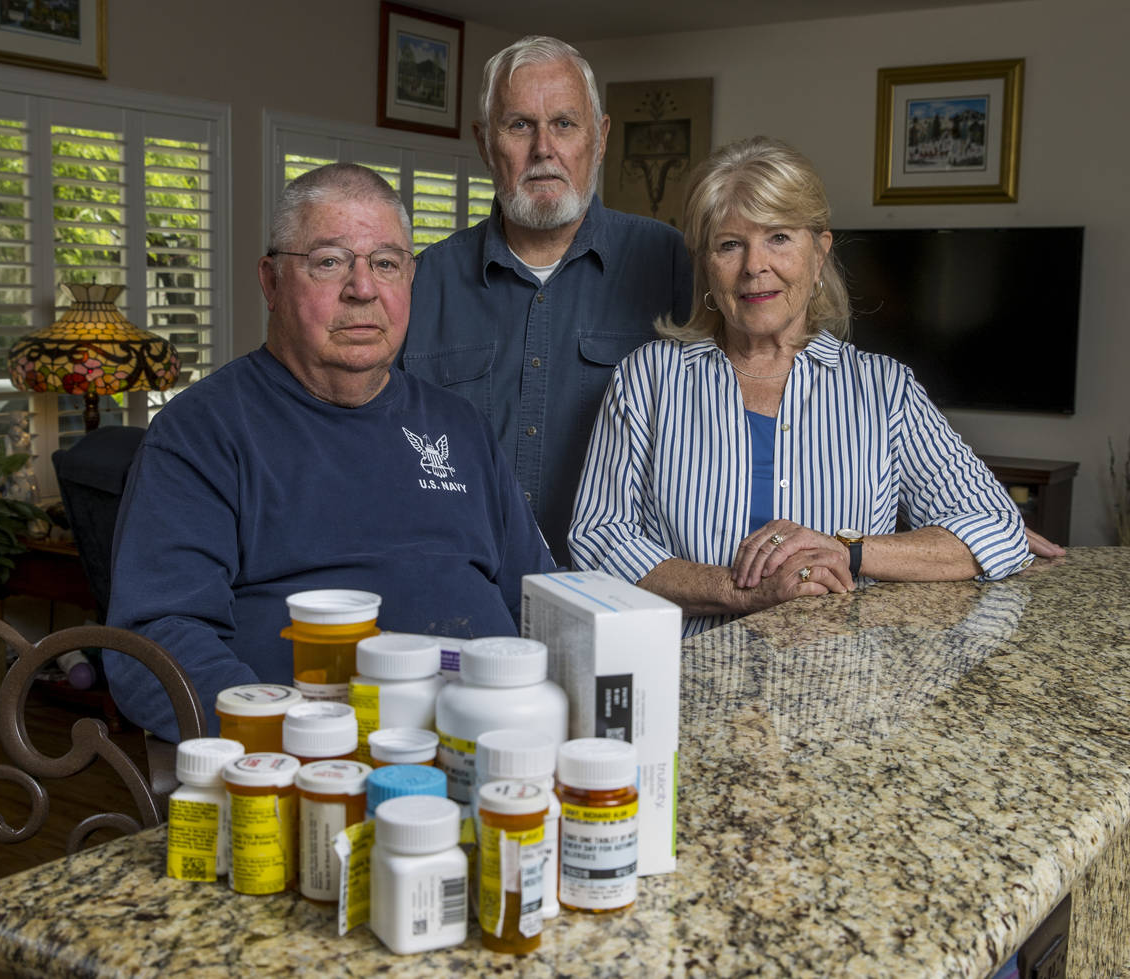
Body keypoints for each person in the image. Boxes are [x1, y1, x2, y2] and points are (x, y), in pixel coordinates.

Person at [104, 164, 556, 740]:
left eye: (386, 263)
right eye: (329, 261)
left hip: (490, 743)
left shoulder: (460, 428)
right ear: (270, 282)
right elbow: (157, 640)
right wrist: (299, 740)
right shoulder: (199, 434)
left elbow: (539, 601)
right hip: (309, 764)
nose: (362, 288)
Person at [568, 135, 1041, 638]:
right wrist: (738, 590)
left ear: (819, 254)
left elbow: (997, 528)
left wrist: (849, 551)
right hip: (687, 675)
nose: (754, 266)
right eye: (730, 244)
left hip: (840, 684)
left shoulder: (884, 389)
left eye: (778, 237)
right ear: (706, 264)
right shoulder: (648, 379)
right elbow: (599, 538)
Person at [402, 35, 692, 565]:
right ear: (485, 143)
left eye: (564, 123)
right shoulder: (424, 280)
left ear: (599, 138)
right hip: (468, 593)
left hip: (620, 600)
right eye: (519, 125)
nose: (544, 149)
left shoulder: (669, 263)